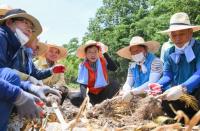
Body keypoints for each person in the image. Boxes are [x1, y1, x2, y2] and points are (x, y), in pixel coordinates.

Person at [149, 12, 200, 118]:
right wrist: (158, 85)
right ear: (170, 36)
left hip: (194, 93)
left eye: (181, 34)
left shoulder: (198, 48)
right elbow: (168, 75)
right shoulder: (169, 52)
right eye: (174, 35)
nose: (177, 38)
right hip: (179, 94)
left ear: (190, 32)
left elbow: (199, 73)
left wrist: (183, 88)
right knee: (164, 99)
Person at [69, 40, 119, 107]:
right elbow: (83, 85)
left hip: (103, 92)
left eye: (95, 51)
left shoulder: (103, 61)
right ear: (86, 54)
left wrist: (105, 53)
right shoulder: (82, 66)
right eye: (89, 52)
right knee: (73, 98)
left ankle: (105, 104)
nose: (93, 54)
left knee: (114, 84)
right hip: (91, 94)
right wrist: (87, 100)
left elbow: (114, 68)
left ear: (98, 53)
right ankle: (91, 105)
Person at [117, 36, 162, 102]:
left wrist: (132, 92)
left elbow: (152, 82)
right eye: (133, 52)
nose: (135, 54)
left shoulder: (156, 61)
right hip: (136, 96)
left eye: (138, 50)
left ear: (145, 49)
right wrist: (126, 90)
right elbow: (128, 82)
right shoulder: (132, 66)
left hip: (153, 96)